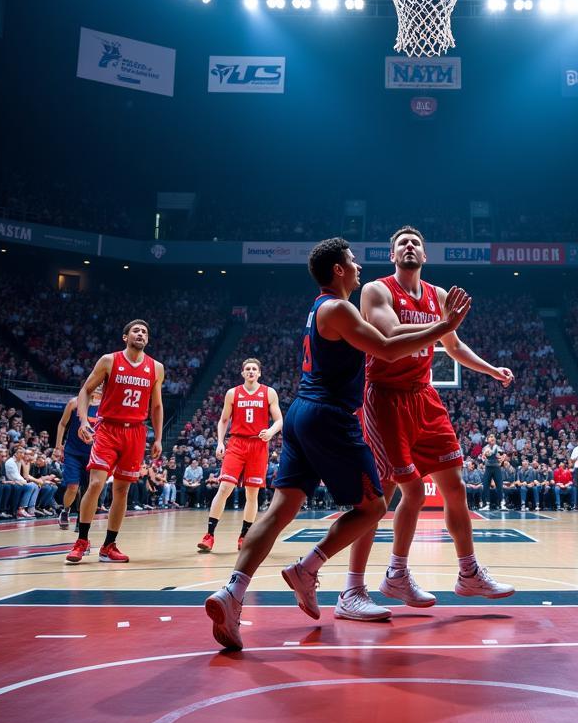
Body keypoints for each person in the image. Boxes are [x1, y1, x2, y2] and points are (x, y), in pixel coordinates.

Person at [204, 238, 471, 648]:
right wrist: (443, 327)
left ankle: (232, 592)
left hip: (300, 414)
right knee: (373, 507)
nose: (358, 267)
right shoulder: (339, 308)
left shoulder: (317, 309)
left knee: (280, 511)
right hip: (329, 417)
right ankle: (309, 568)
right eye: (351, 261)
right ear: (338, 271)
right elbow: (386, 348)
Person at [347, 227, 515, 614]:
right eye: (402, 243)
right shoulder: (377, 289)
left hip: (424, 396)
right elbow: (389, 332)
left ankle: (468, 573)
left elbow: (453, 347)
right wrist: (443, 327)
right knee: (380, 496)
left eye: (416, 244)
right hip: (385, 399)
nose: (410, 247)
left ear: (425, 255)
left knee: (455, 485)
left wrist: (489, 370)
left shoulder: (438, 296)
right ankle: (357, 586)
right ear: (392, 254)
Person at [65, 319, 164, 564]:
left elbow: (157, 405)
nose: (141, 334)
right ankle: (82, 540)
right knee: (96, 483)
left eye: (144, 332)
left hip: (136, 432)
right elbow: (86, 390)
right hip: (108, 428)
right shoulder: (109, 360)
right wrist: (83, 420)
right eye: (136, 330)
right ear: (125, 337)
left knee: (122, 490)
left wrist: (159, 437)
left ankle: (109, 545)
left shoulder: (156, 367)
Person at [198, 359, 283, 553]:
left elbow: (279, 420)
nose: (251, 371)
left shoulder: (269, 392)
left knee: (252, 494)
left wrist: (270, 431)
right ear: (242, 373)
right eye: (247, 369)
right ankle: (209, 535)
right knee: (225, 487)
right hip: (237, 443)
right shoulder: (232, 393)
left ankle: (245, 536)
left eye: (254, 369)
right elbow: (223, 420)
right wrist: (220, 442)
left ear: (259, 373)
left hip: (258, 445)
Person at [53, 386, 100, 530]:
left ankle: (82, 518)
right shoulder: (74, 402)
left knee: (88, 489)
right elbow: (62, 424)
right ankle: (65, 511)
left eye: (102, 386)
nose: (99, 388)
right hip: (72, 451)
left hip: (93, 453)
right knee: (73, 486)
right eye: (96, 385)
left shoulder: (105, 407)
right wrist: (58, 446)